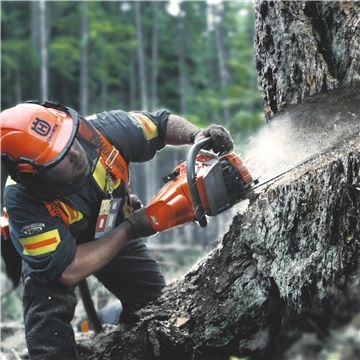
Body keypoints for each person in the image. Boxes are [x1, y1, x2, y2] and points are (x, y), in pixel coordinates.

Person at [0, 100, 233, 360]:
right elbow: (66, 270)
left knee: (157, 307)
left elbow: (160, 124)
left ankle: (113, 323)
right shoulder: (22, 198)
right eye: (60, 157)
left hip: (112, 227)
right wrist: (131, 229)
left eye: (70, 140)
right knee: (48, 326)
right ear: (31, 173)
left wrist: (196, 135)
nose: (75, 154)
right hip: (57, 257)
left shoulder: (101, 132)